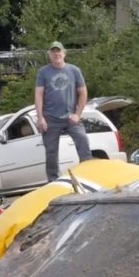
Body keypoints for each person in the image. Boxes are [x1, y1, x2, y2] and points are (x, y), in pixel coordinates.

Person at [34, 41, 92, 182]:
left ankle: (88, 173)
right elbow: (38, 94)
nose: (56, 54)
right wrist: (40, 117)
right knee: (51, 152)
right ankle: (53, 181)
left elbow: (83, 93)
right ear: (49, 55)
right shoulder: (43, 72)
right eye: (53, 52)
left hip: (70, 117)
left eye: (58, 51)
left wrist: (77, 114)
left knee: (83, 140)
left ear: (64, 53)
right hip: (51, 118)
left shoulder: (74, 70)